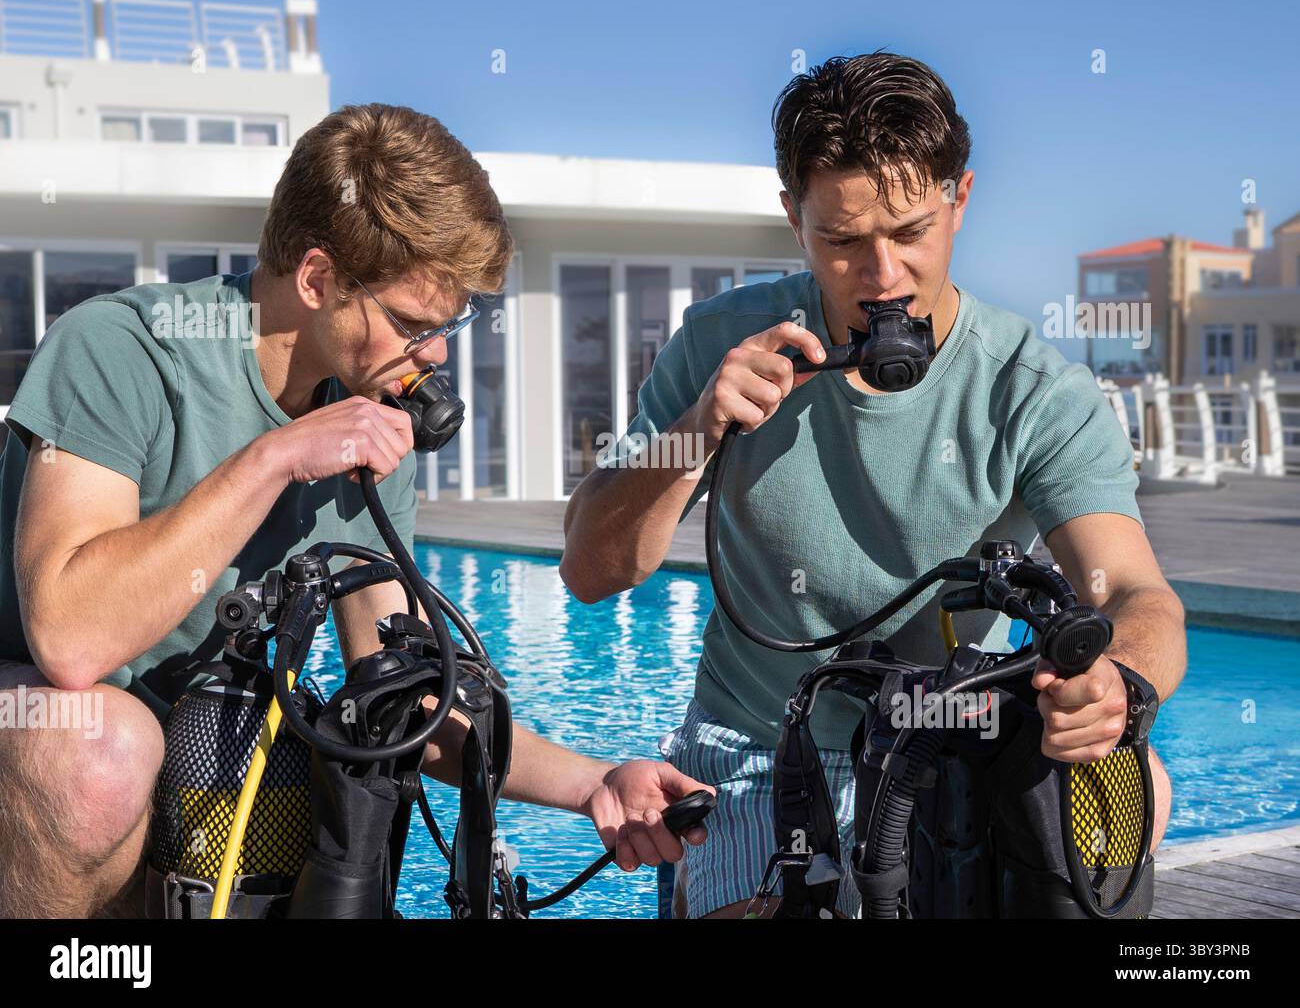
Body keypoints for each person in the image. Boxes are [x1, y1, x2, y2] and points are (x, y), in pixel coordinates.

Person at [0, 103, 710, 919]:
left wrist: (595, 785)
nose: (438, 354)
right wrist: (271, 458)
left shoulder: (368, 423)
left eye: (452, 324)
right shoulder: (121, 350)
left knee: (323, 761)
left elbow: (405, 693)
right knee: (100, 752)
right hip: (42, 746)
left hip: (204, 770)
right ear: (315, 280)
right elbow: (70, 639)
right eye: (413, 323)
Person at [561, 52, 1183, 919]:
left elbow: (1137, 592)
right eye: (843, 241)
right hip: (754, 750)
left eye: (910, 231)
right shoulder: (720, 343)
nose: (882, 277)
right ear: (793, 219)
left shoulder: (1034, 389)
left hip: (943, 748)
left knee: (1132, 782)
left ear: (960, 199)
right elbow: (592, 573)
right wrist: (694, 431)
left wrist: (1117, 682)